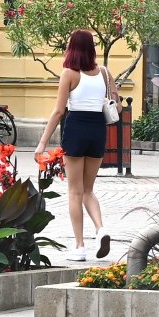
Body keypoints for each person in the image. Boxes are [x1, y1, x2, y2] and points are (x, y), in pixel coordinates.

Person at [36, 29, 115, 263]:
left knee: (75, 191)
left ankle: (80, 247)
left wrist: (42, 143)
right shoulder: (104, 73)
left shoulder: (69, 74)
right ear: (91, 48)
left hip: (76, 130)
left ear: (72, 47)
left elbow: (58, 111)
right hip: (98, 131)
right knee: (88, 190)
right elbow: (118, 106)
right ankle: (101, 229)